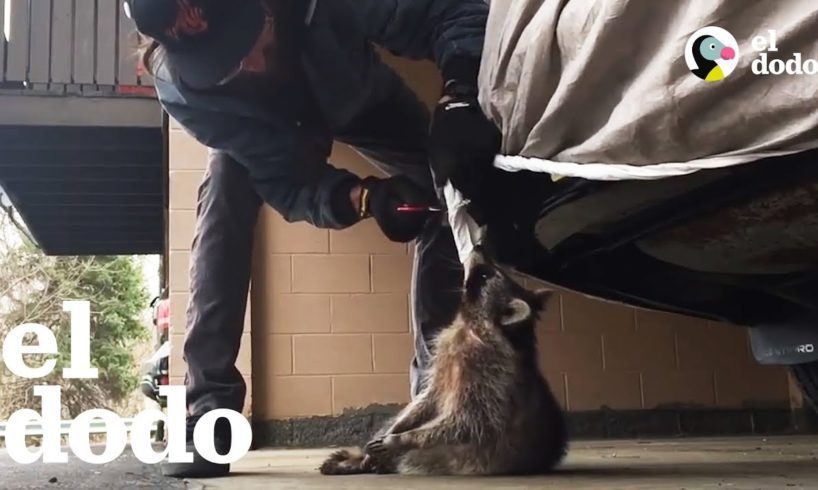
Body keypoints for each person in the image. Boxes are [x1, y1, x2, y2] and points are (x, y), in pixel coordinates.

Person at [126, 0, 498, 478]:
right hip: (275, 134)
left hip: (359, 100)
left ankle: (438, 402)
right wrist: (364, 198)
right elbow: (287, 183)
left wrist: (459, 95)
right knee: (223, 186)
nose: (251, 65)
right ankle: (208, 414)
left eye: (246, 41)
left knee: (450, 188)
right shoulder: (182, 87)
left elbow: (449, 12)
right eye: (225, 65)